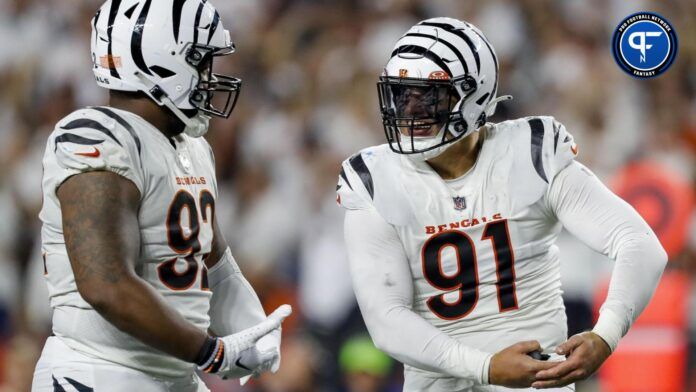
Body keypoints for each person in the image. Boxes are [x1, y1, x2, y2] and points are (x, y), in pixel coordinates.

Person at [337, 17, 667, 391]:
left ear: (474, 95)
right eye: (401, 95)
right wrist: (485, 367)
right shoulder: (374, 179)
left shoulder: (530, 154)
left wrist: (605, 336)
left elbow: (640, 245)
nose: (409, 111)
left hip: (536, 382)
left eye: (426, 96)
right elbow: (386, 319)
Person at [32, 1, 291, 391]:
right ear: (158, 62)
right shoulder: (97, 137)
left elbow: (213, 265)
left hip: (175, 374)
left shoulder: (191, 146)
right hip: (101, 370)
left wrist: (255, 330)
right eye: (201, 61)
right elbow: (106, 284)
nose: (209, 77)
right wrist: (211, 352)